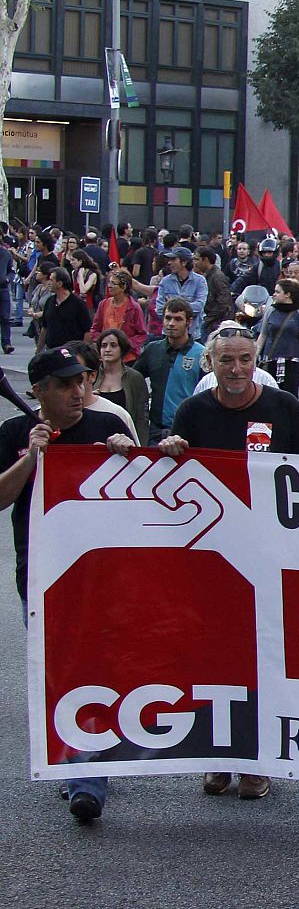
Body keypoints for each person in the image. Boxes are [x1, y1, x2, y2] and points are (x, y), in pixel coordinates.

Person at [160, 323, 299, 801]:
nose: (236, 369)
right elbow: (170, 484)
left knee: (261, 660)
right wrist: (168, 453)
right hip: (210, 560)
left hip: (267, 557)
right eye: (226, 360)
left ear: (256, 359)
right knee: (211, 661)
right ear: (212, 363)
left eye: (245, 359)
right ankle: (217, 756)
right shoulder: (192, 411)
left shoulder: (283, 406)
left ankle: (257, 759)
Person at [0, 348, 135, 822]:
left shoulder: (105, 425)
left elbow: (146, 487)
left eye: (81, 381)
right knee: (59, 671)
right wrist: (32, 457)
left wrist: (126, 457)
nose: (77, 392)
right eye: (64, 385)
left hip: (101, 575)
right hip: (41, 573)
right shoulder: (16, 432)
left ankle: (87, 775)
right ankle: (81, 764)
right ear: (39, 393)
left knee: (95, 669)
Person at [133, 301, 205, 440]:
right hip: (155, 431)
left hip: (188, 431)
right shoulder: (153, 349)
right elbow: (132, 378)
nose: (171, 323)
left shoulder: (201, 354)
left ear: (189, 322)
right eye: (168, 318)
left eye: (178, 319)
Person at [92, 329, 150, 445]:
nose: (107, 349)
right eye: (104, 346)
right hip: (95, 438)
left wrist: (141, 448)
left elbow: (141, 418)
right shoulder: (92, 375)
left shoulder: (135, 378)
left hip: (124, 440)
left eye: (113, 345)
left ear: (122, 350)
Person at [148, 246, 207, 338]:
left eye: (173, 259)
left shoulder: (200, 281)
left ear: (184, 262)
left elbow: (199, 307)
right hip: (168, 335)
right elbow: (159, 309)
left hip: (192, 336)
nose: (169, 262)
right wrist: (185, 309)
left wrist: (172, 306)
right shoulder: (165, 281)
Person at [89, 268, 148, 356]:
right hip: (106, 355)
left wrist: (125, 344)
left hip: (128, 357)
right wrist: (102, 341)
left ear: (123, 286)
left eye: (113, 283)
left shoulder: (134, 307)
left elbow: (142, 334)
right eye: (109, 282)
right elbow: (95, 329)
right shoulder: (103, 304)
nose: (109, 286)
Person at [39, 267, 92, 348]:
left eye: (51, 280)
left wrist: (83, 352)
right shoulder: (50, 302)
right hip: (51, 351)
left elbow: (87, 331)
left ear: (60, 283)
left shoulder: (78, 304)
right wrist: (39, 351)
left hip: (71, 352)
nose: (48, 283)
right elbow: (44, 328)